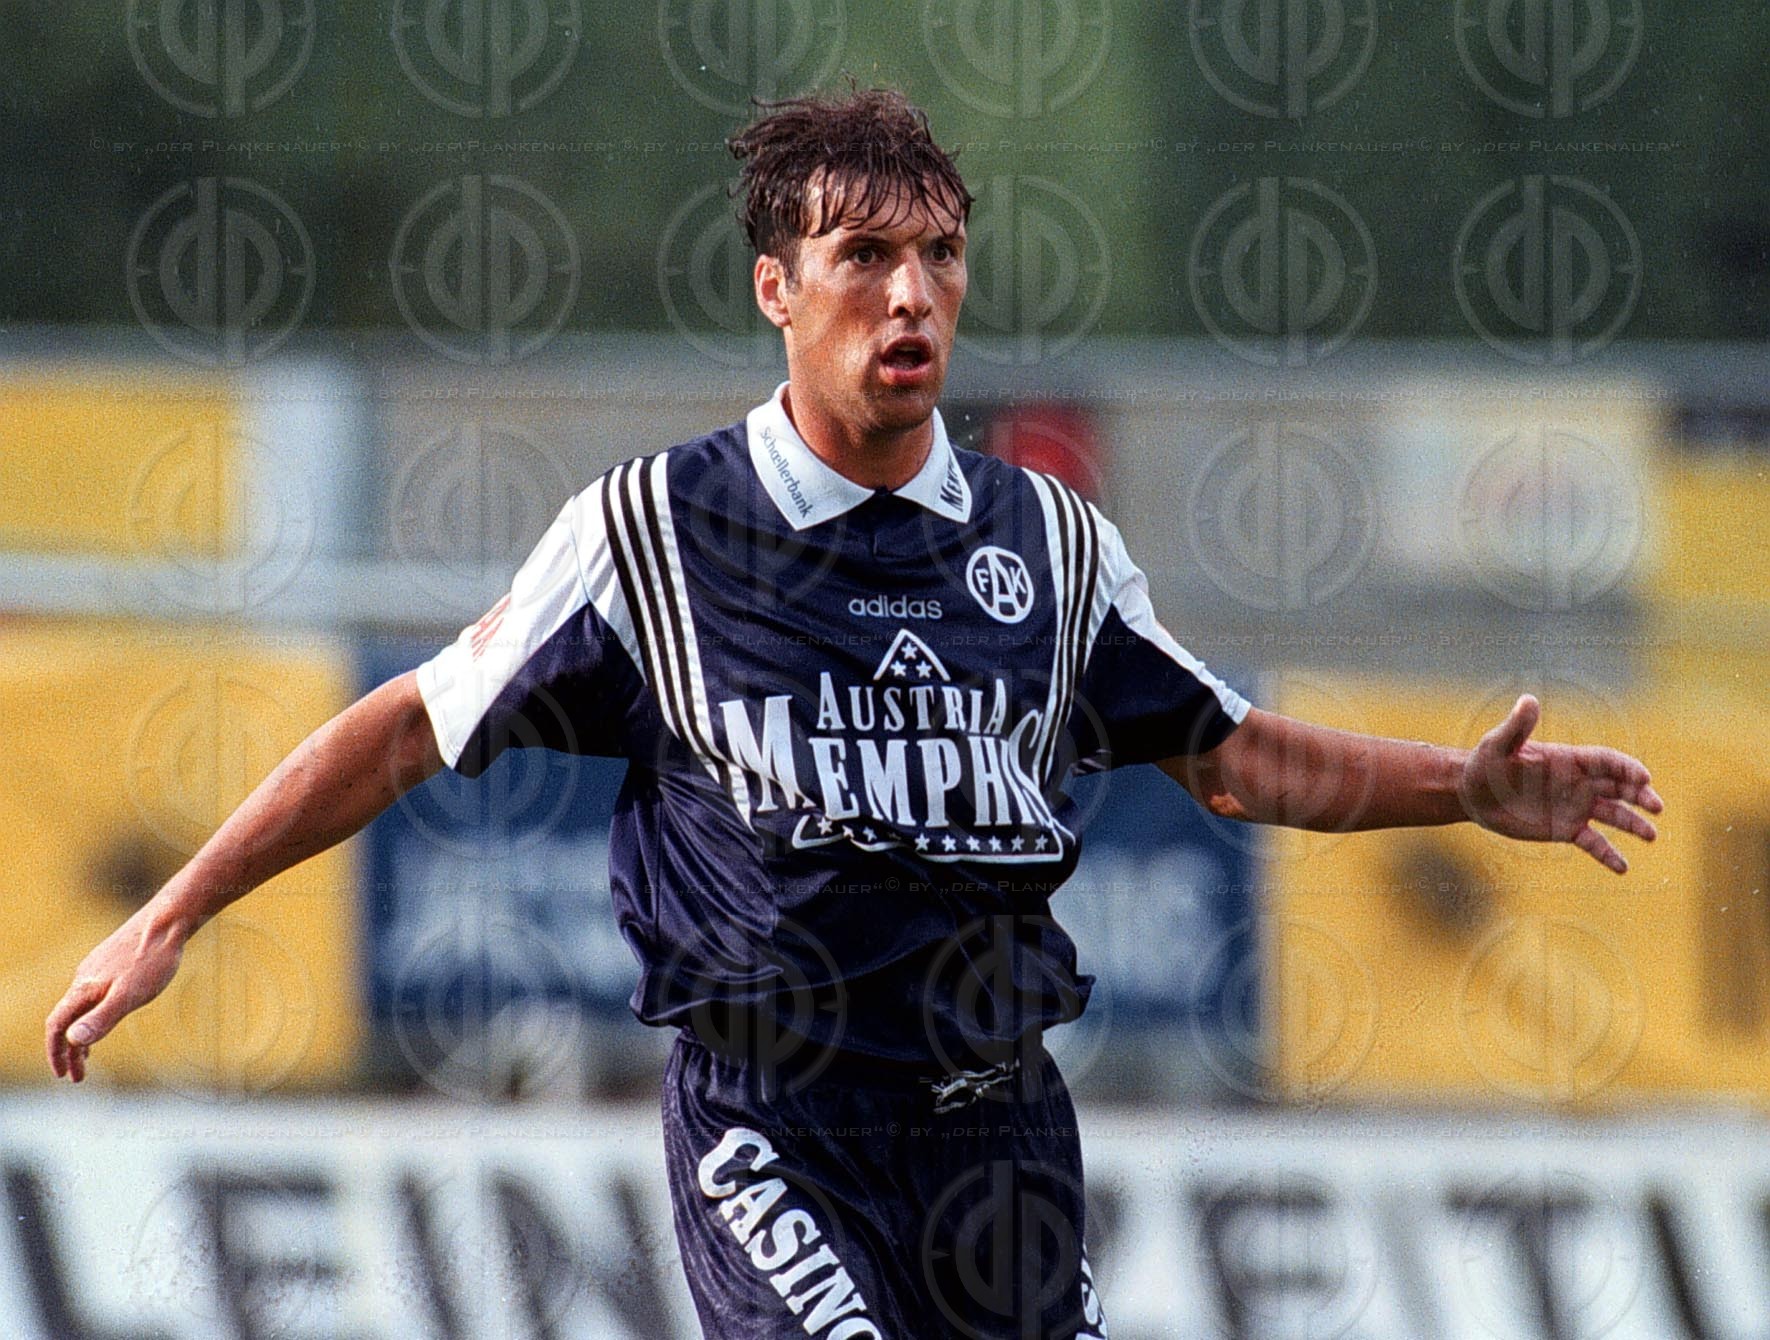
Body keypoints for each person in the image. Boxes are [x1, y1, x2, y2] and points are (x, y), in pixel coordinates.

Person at [47, 88, 1663, 1339]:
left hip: (998, 1130)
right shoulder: (655, 531)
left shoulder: (1047, 542)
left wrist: (1462, 786)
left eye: (939, 257)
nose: (910, 297)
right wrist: (175, 913)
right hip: (774, 1123)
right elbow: (406, 726)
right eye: (863, 259)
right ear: (777, 286)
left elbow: (1230, 759)